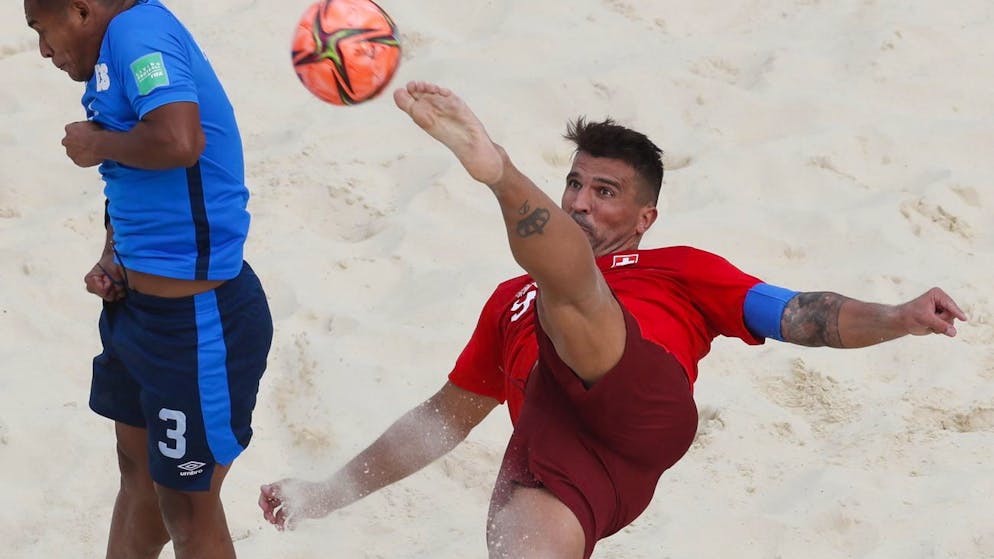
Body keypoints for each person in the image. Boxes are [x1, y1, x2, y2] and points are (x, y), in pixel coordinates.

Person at [259, 81, 966, 558]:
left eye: (604, 191)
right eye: (574, 183)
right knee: (515, 539)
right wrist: (327, 493)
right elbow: (441, 420)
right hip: (562, 451)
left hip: (639, 399)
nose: (580, 201)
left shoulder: (679, 267)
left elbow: (799, 313)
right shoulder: (508, 300)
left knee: (569, 294)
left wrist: (898, 315)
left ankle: (496, 171)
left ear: (643, 217)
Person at [24, 1, 273, 558]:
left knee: (187, 506)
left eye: (42, 30)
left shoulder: (139, 33)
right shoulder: (116, 48)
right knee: (138, 482)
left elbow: (180, 141)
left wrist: (96, 144)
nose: (43, 51)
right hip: (138, 313)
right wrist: (114, 254)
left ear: (80, 10)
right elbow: (130, 179)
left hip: (198, 325)